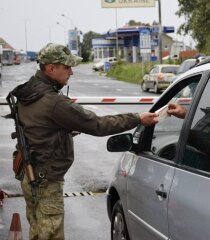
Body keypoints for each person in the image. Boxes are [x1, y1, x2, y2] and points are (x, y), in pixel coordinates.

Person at [8, 43, 159, 240]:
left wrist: (65, 131)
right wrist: (138, 118)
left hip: (30, 175)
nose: (71, 72)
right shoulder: (53, 101)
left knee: (38, 230)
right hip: (45, 180)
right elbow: (98, 124)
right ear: (51, 68)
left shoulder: (28, 92)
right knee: (49, 235)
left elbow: (39, 130)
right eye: (67, 67)